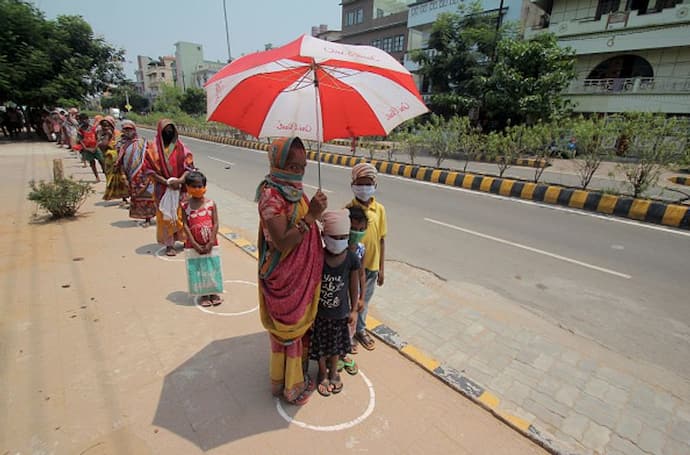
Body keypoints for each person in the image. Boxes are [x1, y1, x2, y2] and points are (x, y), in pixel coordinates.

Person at [256, 136, 327, 406]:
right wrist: (311, 217)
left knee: (296, 331)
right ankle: (290, 386)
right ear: (278, 163)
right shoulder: (270, 195)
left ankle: (286, 377)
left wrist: (316, 212)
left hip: (302, 274)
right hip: (285, 276)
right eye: (293, 166)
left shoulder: (293, 191)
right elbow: (283, 241)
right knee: (290, 327)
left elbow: (303, 223)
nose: (298, 172)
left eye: (303, 167)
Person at [309, 210, 360, 397]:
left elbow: (354, 287)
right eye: (334, 237)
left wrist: (354, 310)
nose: (339, 241)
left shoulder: (351, 259)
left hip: (341, 314)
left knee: (337, 346)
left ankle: (334, 371)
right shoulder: (318, 258)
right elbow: (311, 285)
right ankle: (322, 372)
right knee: (321, 346)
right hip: (320, 315)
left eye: (343, 237)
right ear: (324, 235)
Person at [346, 162, 387, 351]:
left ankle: (360, 330)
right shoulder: (348, 210)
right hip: (352, 267)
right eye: (360, 183)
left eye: (368, 183)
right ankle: (349, 333)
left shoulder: (380, 210)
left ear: (375, 185)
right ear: (353, 185)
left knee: (365, 300)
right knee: (351, 300)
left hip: (371, 266)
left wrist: (381, 268)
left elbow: (381, 239)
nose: (364, 188)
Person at [144, 119, 195, 256]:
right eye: (166, 130)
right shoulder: (152, 149)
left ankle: (186, 240)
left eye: (171, 129)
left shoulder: (181, 147)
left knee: (183, 214)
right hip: (163, 189)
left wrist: (179, 180)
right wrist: (167, 182)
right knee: (166, 216)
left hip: (181, 188)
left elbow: (189, 167)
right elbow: (149, 171)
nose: (169, 132)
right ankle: (169, 244)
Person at [181, 171, 222, 307]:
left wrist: (211, 241)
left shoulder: (211, 204)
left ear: (205, 186)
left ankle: (214, 292)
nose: (197, 189)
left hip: (210, 242)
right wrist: (193, 242)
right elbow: (185, 224)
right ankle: (203, 293)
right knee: (198, 268)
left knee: (212, 266)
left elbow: (215, 223)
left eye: (200, 186)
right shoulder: (185, 206)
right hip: (194, 244)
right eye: (194, 186)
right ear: (187, 187)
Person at [116, 120, 156, 225]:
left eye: (130, 130)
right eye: (125, 130)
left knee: (147, 196)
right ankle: (143, 217)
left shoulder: (143, 143)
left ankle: (148, 218)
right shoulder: (122, 145)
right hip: (131, 175)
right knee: (136, 197)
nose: (127, 132)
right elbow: (120, 161)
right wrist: (123, 175)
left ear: (134, 130)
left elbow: (151, 156)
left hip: (144, 174)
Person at [100, 116, 129, 204]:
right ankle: (119, 196)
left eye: (107, 125)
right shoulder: (103, 135)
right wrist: (107, 136)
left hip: (120, 158)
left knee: (123, 178)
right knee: (111, 178)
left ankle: (125, 197)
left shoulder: (118, 134)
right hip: (109, 159)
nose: (106, 127)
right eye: (104, 126)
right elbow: (102, 146)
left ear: (112, 125)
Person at [77, 113, 104, 181]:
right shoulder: (80, 130)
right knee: (92, 163)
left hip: (95, 147)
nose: (85, 121)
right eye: (83, 120)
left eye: (86, 119)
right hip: (87, 149)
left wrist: (95, 147)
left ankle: (105, 172)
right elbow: (81, 141)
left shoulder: (93, 128)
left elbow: (98, 138)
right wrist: (86, 149)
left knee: (101, 160)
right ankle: (97, 177)